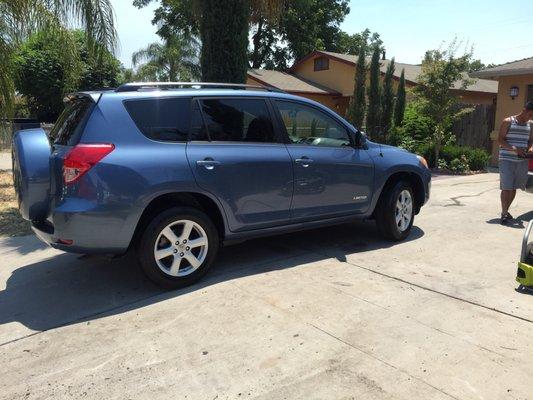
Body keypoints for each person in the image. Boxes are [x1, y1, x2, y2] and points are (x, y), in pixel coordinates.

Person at [498, 101, 533, 224]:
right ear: (524, 110)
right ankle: (503, 213)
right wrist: (513, 148)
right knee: (506, 187)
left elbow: (530, 141)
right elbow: (500, 140)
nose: (530, 117)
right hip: (506, 159)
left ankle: (506, 211)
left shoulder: (531, 124)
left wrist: (530, 149)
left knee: (514, 188)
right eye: (530, 114)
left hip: (522, 160)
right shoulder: (508, 121)